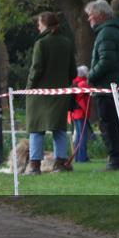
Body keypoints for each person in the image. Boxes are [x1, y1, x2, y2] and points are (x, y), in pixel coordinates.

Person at [85, 0, 119, 170]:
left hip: (108, 89)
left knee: (109, 125)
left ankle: (115, 160)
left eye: (90, 16)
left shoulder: (105, 33)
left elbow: (107, 61)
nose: (89, 19)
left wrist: (90, 76)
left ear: (100, 15)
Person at [24, 12, 77, 175]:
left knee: (36, 129)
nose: (37, 27)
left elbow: (36, 68)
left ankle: (34, 166)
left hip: (39, 94)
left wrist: (29, 87)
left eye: (39, 24)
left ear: (45, 25)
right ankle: (60, 163)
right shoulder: (67, 43)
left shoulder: (41, 43)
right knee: (59, 128)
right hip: (61, 92)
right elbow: (73, 72)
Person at [70, 66, 95, 163]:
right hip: (81, 113)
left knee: (78, 137)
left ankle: (78, 158)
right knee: (82, 137)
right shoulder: (83, 84)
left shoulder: (75, 83)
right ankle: (82, 158)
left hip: (75, 113)